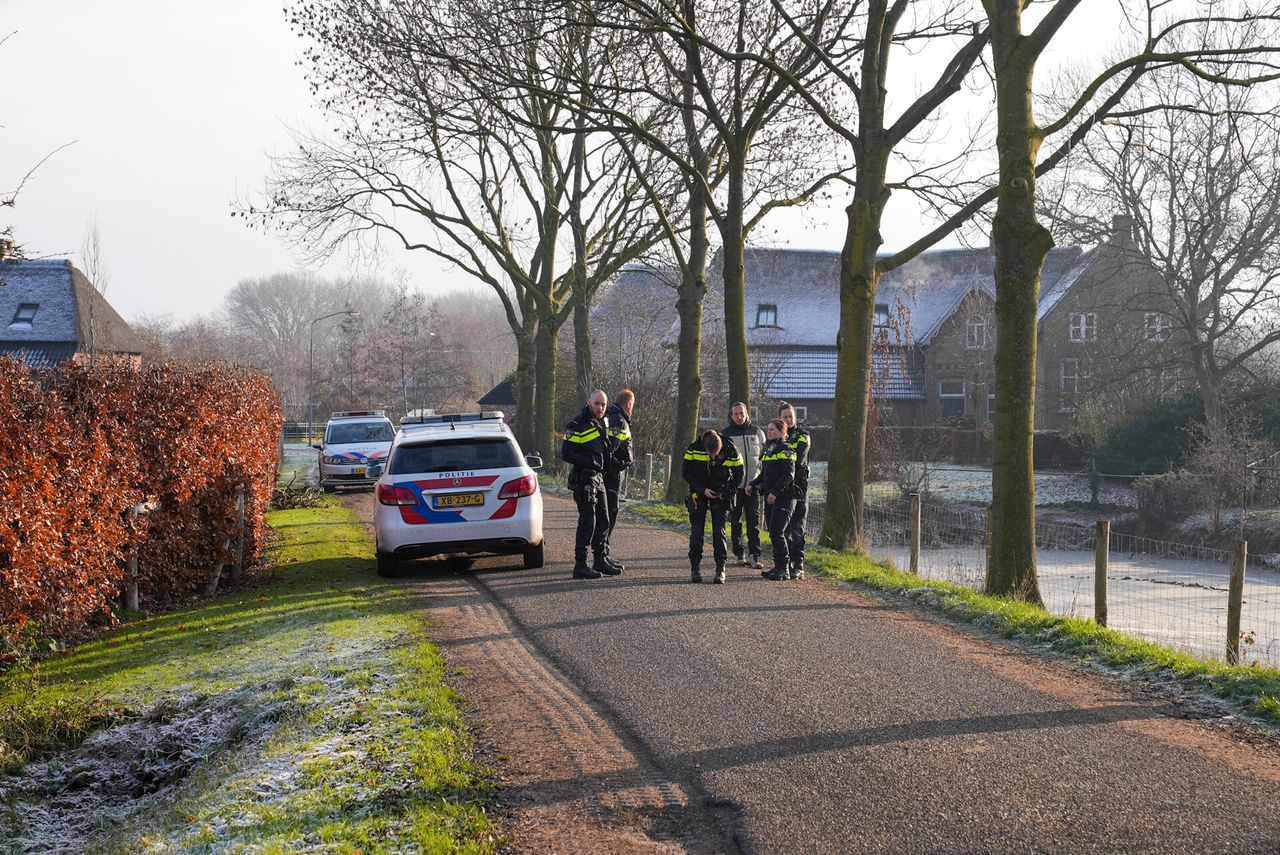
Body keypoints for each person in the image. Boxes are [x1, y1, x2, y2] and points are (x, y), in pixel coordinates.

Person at [561, 390, 621, 579]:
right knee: (588, 521)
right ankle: (580, 564)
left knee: (604, 518)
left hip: (599, 478)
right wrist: (590, 462)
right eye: (597, 404)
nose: (600, 407)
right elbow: (566, 453)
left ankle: (600, 559)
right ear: (589, 402)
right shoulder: (577, 424)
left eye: (603, 404)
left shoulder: (602, 421)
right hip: (584, 479)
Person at [681, 429, 743, 584]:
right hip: (699, 492)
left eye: (716, 455)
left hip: (720, 492)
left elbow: (739, 474)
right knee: (696, 532)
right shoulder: (694, 447)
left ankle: (720, 569)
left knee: (719, 531)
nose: (713, 458)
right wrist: (703, 490)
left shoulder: (731, 449)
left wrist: (727, 493)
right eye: (710, 455)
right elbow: (686, 472)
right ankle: (695, 569)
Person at [745, 418, 797, 581]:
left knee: (777, 531)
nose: (769, 432)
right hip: (770, 497)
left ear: (782, 432)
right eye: (768, 429)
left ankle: (785, 568)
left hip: (784, 497)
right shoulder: (768, 450)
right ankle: (778, 566)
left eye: (773, 429)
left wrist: (775, 492)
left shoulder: (787, 449)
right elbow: (764, 475)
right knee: (773, 533)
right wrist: (753, 484)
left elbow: (788, 475)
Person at [721, 401, 765, 569]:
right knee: (736, 520)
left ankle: (755, 555)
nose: (739, 416)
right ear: (731, 416)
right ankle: (740, 553)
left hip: (753, 485)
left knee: (753, 521)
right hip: (735, 486)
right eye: (736, 414)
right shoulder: (725, 434)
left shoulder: (758, 432)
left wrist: (759, 481)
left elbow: (764, 457)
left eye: (742, 413)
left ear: (747, 413)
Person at [602, 389, 635, 570]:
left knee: (608, 514)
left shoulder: (611, 416)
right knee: (609, 514)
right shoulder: (619, 421)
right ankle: (603, 553)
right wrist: (619, 464)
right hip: (612, 476)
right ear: (628, 404)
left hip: (612, 475)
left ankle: (604, 552)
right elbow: (609, 451)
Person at [778, 401, 811, 580]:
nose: (789, 420)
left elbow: (798, 458)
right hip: (782, 487)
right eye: (785, 417)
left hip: (798, 486)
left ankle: (798, 563)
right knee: (783, 526)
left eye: (791, 416)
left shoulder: (803, 435)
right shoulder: (777, 437)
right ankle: (785, 561)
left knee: (798, 525)